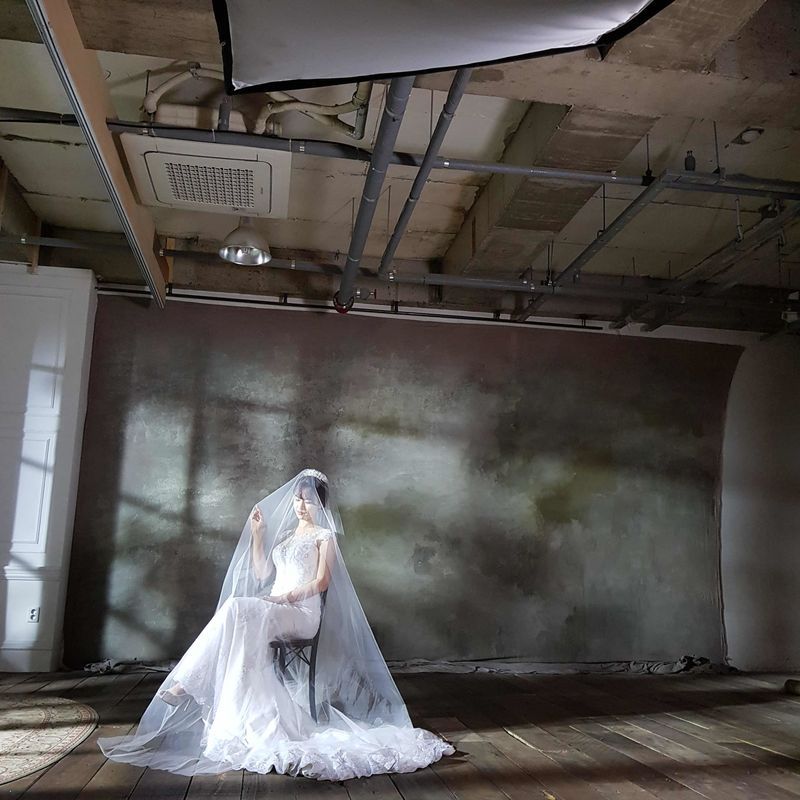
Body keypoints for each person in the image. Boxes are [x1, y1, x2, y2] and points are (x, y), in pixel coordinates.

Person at [98, 469, 453, 780]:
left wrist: (286, 598)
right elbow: (263, 574)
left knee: (238, 610)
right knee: (239, 613)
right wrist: (258, 535)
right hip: (275, 607)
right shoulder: (285, 538)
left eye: (309, 501)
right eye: (298, 499)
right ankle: (232, 707)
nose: (301, 506)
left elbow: (321, 582)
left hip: (301, 613)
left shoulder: (324, 537)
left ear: (321, 505)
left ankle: (189, 683)